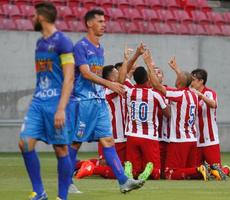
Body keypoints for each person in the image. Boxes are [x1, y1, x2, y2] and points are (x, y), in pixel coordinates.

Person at [69, 8, 144, 193]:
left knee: (108, 141)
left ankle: (123, 181)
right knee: (75, 143)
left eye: (104, 21)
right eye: (100, 21)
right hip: (83, 101)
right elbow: (86, 73)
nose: (104, 24)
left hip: (98, 101)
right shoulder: (80, 46)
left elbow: (94, 74)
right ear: (89, 24)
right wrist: (109, 85)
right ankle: (66, 182)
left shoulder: (100, 48)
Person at [18, 2, 75, 200]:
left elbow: (69, 78)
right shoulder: (40, 43)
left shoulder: (63, 42)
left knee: (60, 149)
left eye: (34, 15)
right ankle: (39, 192)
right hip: (38, 102)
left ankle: (62, 197)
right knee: (25, 143)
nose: (32, 19)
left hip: (56, 104)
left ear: (41, 17)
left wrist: (61, 108)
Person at [143, 50, 207, 180]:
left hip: (179, 141)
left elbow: (157, 86)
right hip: (192, 139)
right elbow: (185, 81)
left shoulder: (178, 94)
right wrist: (177, 70)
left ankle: (199, 169)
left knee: (169, 173)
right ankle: (203, 170)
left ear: (178, 83)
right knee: (185, 173)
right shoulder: (193, 94)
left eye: (177, 79)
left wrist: (149, 64)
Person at [191, 69, 230, 180]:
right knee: (196, 174)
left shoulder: (209, 93)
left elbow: (213, 104)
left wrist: (200, 95)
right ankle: (208, 169)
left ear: (201, 81)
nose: (191, 82)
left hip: (210, 139)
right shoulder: (191, 94)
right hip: (197, 139)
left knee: (217, 174)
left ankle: (227, 169)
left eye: (193, 80)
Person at [123, 65, 170, 181]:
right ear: (148, 78)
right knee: (156, 174)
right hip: (149, 136)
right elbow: (168, 114)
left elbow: (124, 77)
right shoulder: (155, 94)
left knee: (135, 170)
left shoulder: (129, 91)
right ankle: (149, 171)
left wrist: (128, 61)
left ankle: (130, 169)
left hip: (132, 135)